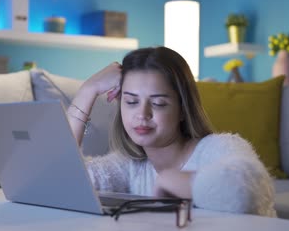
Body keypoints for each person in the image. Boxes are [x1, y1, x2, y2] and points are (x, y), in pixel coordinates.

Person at [66, 46, 276, 217]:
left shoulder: (218, 147)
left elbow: (247, 190)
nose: (142, 114)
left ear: (183, 109)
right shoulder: (130, 166)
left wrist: (170, 180)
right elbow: (64, 179)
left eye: (158, 103)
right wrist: (88, 91)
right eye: (131, 101)